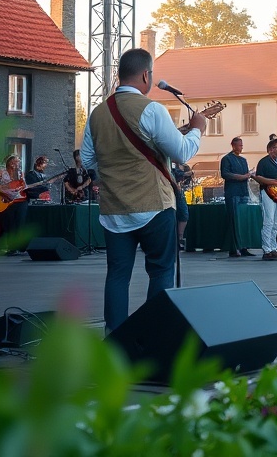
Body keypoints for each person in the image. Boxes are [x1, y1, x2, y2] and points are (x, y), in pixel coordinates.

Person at [80, 47, 206, 334]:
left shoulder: (97, 114)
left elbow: (87, 159)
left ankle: (114, 339)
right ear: (146, 75)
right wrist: (197, 129)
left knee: (117, 275)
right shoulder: (152, 110)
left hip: (114, 210)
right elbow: (182, 152)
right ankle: (152, 337)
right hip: (154, 206)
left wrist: (114, 175)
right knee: (161, 271)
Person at [254, 137, 277, 260]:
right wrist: (276, 182)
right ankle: (267, 249)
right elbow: (259, 177)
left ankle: (273, 247)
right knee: (268, 221)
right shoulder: (263, 162)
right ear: (270, 149)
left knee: (276, 223)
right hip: (267, 193)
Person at [219, 137, 255, 258]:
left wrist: (250, 174)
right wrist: (241, 177)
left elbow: (246, 174)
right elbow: (225, 174)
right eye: (239, 145)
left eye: (242, 145)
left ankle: (244, 247)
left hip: (243, 192)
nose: (241, 148)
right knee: (234, 221)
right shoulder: (227, 159)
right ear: (233, 146)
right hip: (233, 193)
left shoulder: (243, 160)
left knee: (243, 221)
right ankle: (234, 248)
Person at [0, 154, 28, 254]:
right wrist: (4, 190)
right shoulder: (2, 172)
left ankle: (20, 247)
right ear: (10, 163)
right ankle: (11, 247)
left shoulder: (20, 173)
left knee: (20, 223)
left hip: (20, 200)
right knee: (9, 224)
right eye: (16, 161)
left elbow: (24, 186)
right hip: (7, 201)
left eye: (19, 161)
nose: (18, 163)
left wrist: (23, 187)